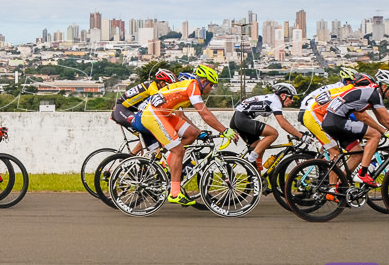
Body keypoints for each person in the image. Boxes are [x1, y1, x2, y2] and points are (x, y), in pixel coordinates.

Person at [136, 64, 238, 205]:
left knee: (193, 133)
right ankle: (175, 193)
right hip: (154, 115)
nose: (211, 89)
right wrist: (225, 131)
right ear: (204, 82)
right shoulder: (193, 87)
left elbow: (185, 114)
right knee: (179, 150)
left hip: (164, 114)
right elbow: (205, 114)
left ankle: (171, 162)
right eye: (211, 85)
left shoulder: (192, 86)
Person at [321, 69, 389, 186]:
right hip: (337, 121)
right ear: (384, 86)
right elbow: (388, 120)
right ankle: (363, 173)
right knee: (375, 135)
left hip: (331, 121)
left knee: (358, 153)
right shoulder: (374, 94)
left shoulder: (369, 91)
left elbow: (378, 119)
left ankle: (340, 185)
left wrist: (385, 130)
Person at [232, 82, 306, 170]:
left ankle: (256, 179)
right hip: (242, 119)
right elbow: (282, 123)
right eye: (291, 97)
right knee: (273, 133)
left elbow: (238, 111)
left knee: (258, 146)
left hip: (238, 119)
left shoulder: (271, 98)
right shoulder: (275, 101)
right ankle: (250, 160)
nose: (292, 100)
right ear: (282, 96)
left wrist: (234, 129)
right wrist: (300, 136)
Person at [111, 69, 175, 154]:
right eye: (168, 85)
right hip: (121, 110)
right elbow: (161, 105)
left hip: (126, 110)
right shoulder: (153, 88)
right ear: (162, 83)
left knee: (148, 136)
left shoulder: (152, 84)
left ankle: (142, 163)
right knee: (149, 132)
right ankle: (130, 158)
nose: (168, 88)